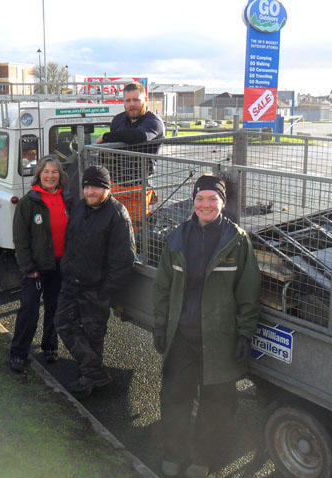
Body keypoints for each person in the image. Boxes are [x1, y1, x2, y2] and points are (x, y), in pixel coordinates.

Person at [152, 174, 261, 478]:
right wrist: (160, 325)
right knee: (174, 398)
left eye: (213, 199)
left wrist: (244, 334)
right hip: (181, 338)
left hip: (218, 341)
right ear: (193, 201)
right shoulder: (176, 238)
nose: (205, 204)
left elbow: (248, 292)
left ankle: (203, 458)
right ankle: (174, 453)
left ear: (222, 203)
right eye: (200, 198)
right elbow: (162, 286)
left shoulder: (237, 240)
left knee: (216, 405)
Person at [54, 165, 136, 398]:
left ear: (107, 189)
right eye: (87, 186)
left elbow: (124, 260)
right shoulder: (80, 207)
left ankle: (89, 377)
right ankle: (94, 371)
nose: (90, 191)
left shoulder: (118, 214)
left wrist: (105, 290)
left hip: (95, 288)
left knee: (93, 335)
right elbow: (71, 241)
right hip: (71, 283)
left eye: (96, 187)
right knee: (63, 323)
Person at [9, 156, 73, 374]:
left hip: (59, 266)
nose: (50, 176)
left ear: (60, 176)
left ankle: (50, 346)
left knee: (54, 309)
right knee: (29, 311)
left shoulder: (67, 199)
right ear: (39, 175)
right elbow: (20, 238)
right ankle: (18, 353)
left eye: (55, 172)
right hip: (36, 269)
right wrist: (29, 268)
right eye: (46, 171)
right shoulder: (29, 202)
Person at [96, 81, 165, 225]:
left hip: (138, 187)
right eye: (128, 100)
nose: (132, 104)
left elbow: (138, 136)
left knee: (135, 230)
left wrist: (106, 137)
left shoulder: (154, 122)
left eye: (136, 100)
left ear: (145, 100)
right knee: (113, 226)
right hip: (115, 185)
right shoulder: (118, 120)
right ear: (123, 102)